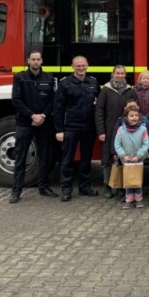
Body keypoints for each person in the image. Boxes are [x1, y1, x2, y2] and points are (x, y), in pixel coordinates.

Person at [9, 49, 55, 203]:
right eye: (33, 59)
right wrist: (32, 115)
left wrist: (42, 115)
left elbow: (53, 101)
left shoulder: (49, 78)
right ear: (28, 61)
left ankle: (43, 187)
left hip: (43, 123)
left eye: (38, 59)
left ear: (42, 61)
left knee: (44, 157)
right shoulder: (20, 78)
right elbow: (16, 100)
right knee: (21, 157)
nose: (36, 62)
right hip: (25, 123)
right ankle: (16, 191)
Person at [54, 55, 100, 202]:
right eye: (78, 66)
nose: (81, 68)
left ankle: (84, 187)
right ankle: (66, 190)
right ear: (72, 67)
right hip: (70, 127)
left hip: (88, 127)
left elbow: (98, 104)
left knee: (86, 159)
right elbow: (58, 108)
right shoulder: (65, 84)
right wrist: (59, 130)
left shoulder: (93, 82)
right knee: (67, 160)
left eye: (83, 65)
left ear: (87, 65)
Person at [95, 65, 136, 199]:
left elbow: (134, 110)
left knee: (124, 157)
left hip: (126, 130)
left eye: (122, 73)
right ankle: (107, 186)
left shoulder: (130, 91)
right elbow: (99, 111)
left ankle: (121, 187)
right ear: (112, 74)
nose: (119, 75)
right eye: (117, 73)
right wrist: (101, 131)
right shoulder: (105, 90)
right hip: (109, 129)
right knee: (107, 159)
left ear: (125, 75)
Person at [114, 106, 149, 209]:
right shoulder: (121, 129)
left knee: (137, 180)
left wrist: (138, 156)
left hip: (138, 160)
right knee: (128, 180)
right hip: (127, 160)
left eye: (136, 115)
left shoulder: (143, 129)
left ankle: (138, 199)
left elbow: (146, 144)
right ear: (126, 117)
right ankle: (129, 200)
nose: (134, 117)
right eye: (131, 116)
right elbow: (117, 144)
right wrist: (123, 155)